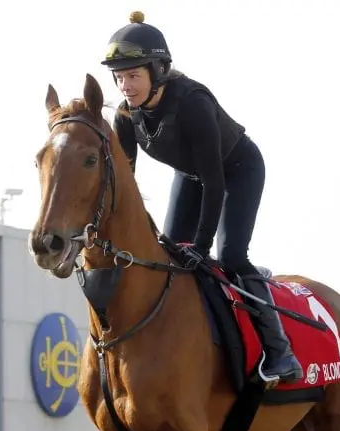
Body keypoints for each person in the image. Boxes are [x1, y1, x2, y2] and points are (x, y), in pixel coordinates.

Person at [101, 11, 304, 386]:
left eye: (133, 75)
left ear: (158, 69)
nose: (125, 86)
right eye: (119, 77)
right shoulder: (126, 116)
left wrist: (202, 243)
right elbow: (126, 182)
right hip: (193, 175)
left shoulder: (193, 103)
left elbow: (215, 181)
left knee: (228, 255)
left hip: (237, 170)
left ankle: (280, 352)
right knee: (170, 252)